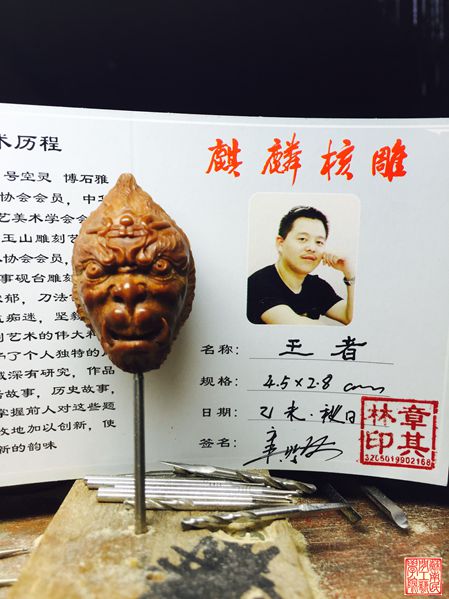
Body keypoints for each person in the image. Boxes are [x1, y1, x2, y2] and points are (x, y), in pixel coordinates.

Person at [247, 206, 355, 325]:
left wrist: (349, 272)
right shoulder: (258, 284)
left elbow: (350, 317)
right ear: (280, 243)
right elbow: (300, 328)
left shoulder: (317, 286)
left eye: (319, 242)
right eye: (302, 239)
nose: (312, 248)